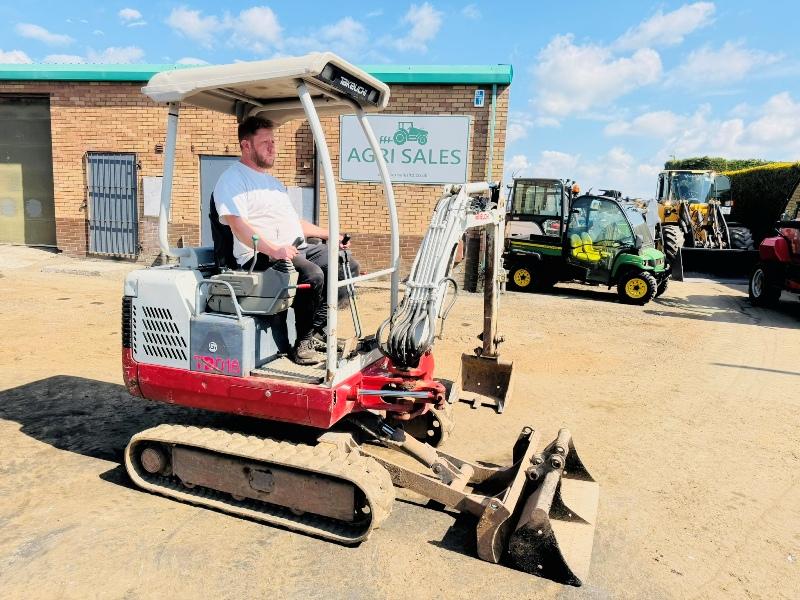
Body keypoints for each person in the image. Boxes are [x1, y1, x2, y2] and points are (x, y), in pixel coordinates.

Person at [212, 116, 359, 365]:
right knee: (313, 274)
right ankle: (301, 346)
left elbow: (295, 224)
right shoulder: (232, 180)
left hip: (292, 248)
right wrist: (273, 249)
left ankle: (316, 332)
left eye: (274, 141)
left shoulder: (273, 184)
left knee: (345, 263)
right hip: (257, 255)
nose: (272, 147)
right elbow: (238, 226)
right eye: (265, 142)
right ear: (246, 145)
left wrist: (330, 235)